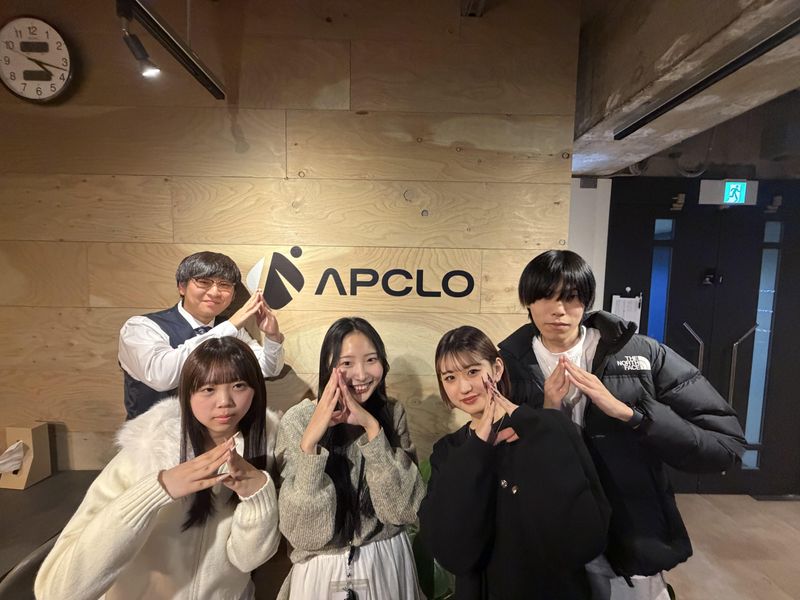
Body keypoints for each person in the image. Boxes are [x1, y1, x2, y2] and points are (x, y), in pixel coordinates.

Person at [497, 250, 747, 600]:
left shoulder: (642, 354)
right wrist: (547, 414)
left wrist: (631, 415)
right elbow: (496, 459)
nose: (558, 310)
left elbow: (725, 446)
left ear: (587, 301)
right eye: (545, 296)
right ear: (528, 301)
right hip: (545, 540)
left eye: (571, 297)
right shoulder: (504, 366)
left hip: (632, 537)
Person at [35, 336, 281, 600]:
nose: (225, 401)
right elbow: (58, 592)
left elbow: (247, 561)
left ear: (255, 390)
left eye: (239, 385)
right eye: (208, 389)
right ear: (187, 394)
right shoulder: (144, 453)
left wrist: (257, 496)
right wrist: (156, 490)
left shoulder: (268, 454)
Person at [418, 325, 610, 600]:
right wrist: (477, 449)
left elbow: (586, 537)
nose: (464, 387)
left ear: (497, 369)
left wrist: (537, 431)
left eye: (472, 371)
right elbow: (452, 554)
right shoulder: (448, 452)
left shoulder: (545, 430)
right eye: (450, 377)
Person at [275, 316, 425, 600]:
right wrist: (310, 444)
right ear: (328, 366)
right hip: (320, 572)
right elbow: (305, 535)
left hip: (387, 561)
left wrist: (372, 429)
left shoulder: (392, 412)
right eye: (346, 363)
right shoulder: (298, 420)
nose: (361, 374)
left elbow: (404, 511)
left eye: (371, 360)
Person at [118, 250, 285, 419]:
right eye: (204, 282)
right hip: (156, 432)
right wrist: (230, 326)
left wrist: (273, 337)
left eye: (224, 285)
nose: (214, 292)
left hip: (218, 430)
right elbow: (162, 377)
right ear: (182, 287)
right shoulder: (141, 327)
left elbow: (265, 368)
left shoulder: (232, 330)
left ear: (233, 295)